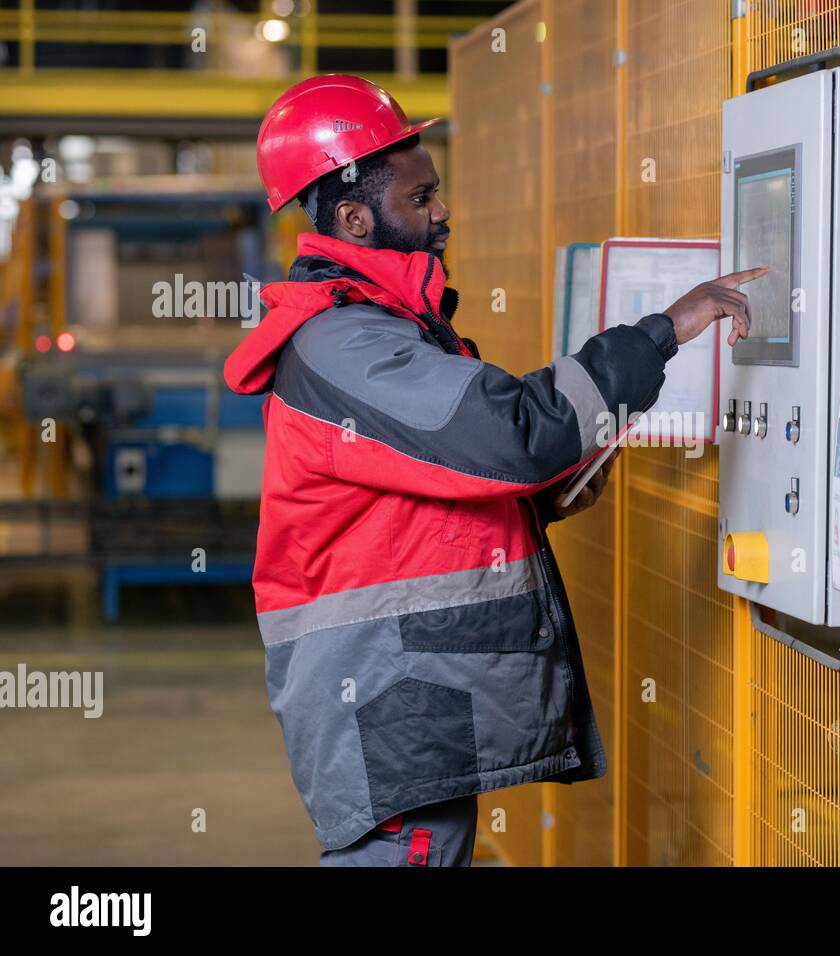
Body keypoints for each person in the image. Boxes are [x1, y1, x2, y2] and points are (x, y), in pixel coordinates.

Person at [223, 74, 765, 866]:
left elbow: (427, 491)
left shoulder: (383, 327)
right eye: (422, 197)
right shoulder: (348, 344)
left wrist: (541, 496)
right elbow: (511, 432)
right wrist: (663, 332)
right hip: (389, 696)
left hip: (405, 683)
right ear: (353, 215)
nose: (441, 212)